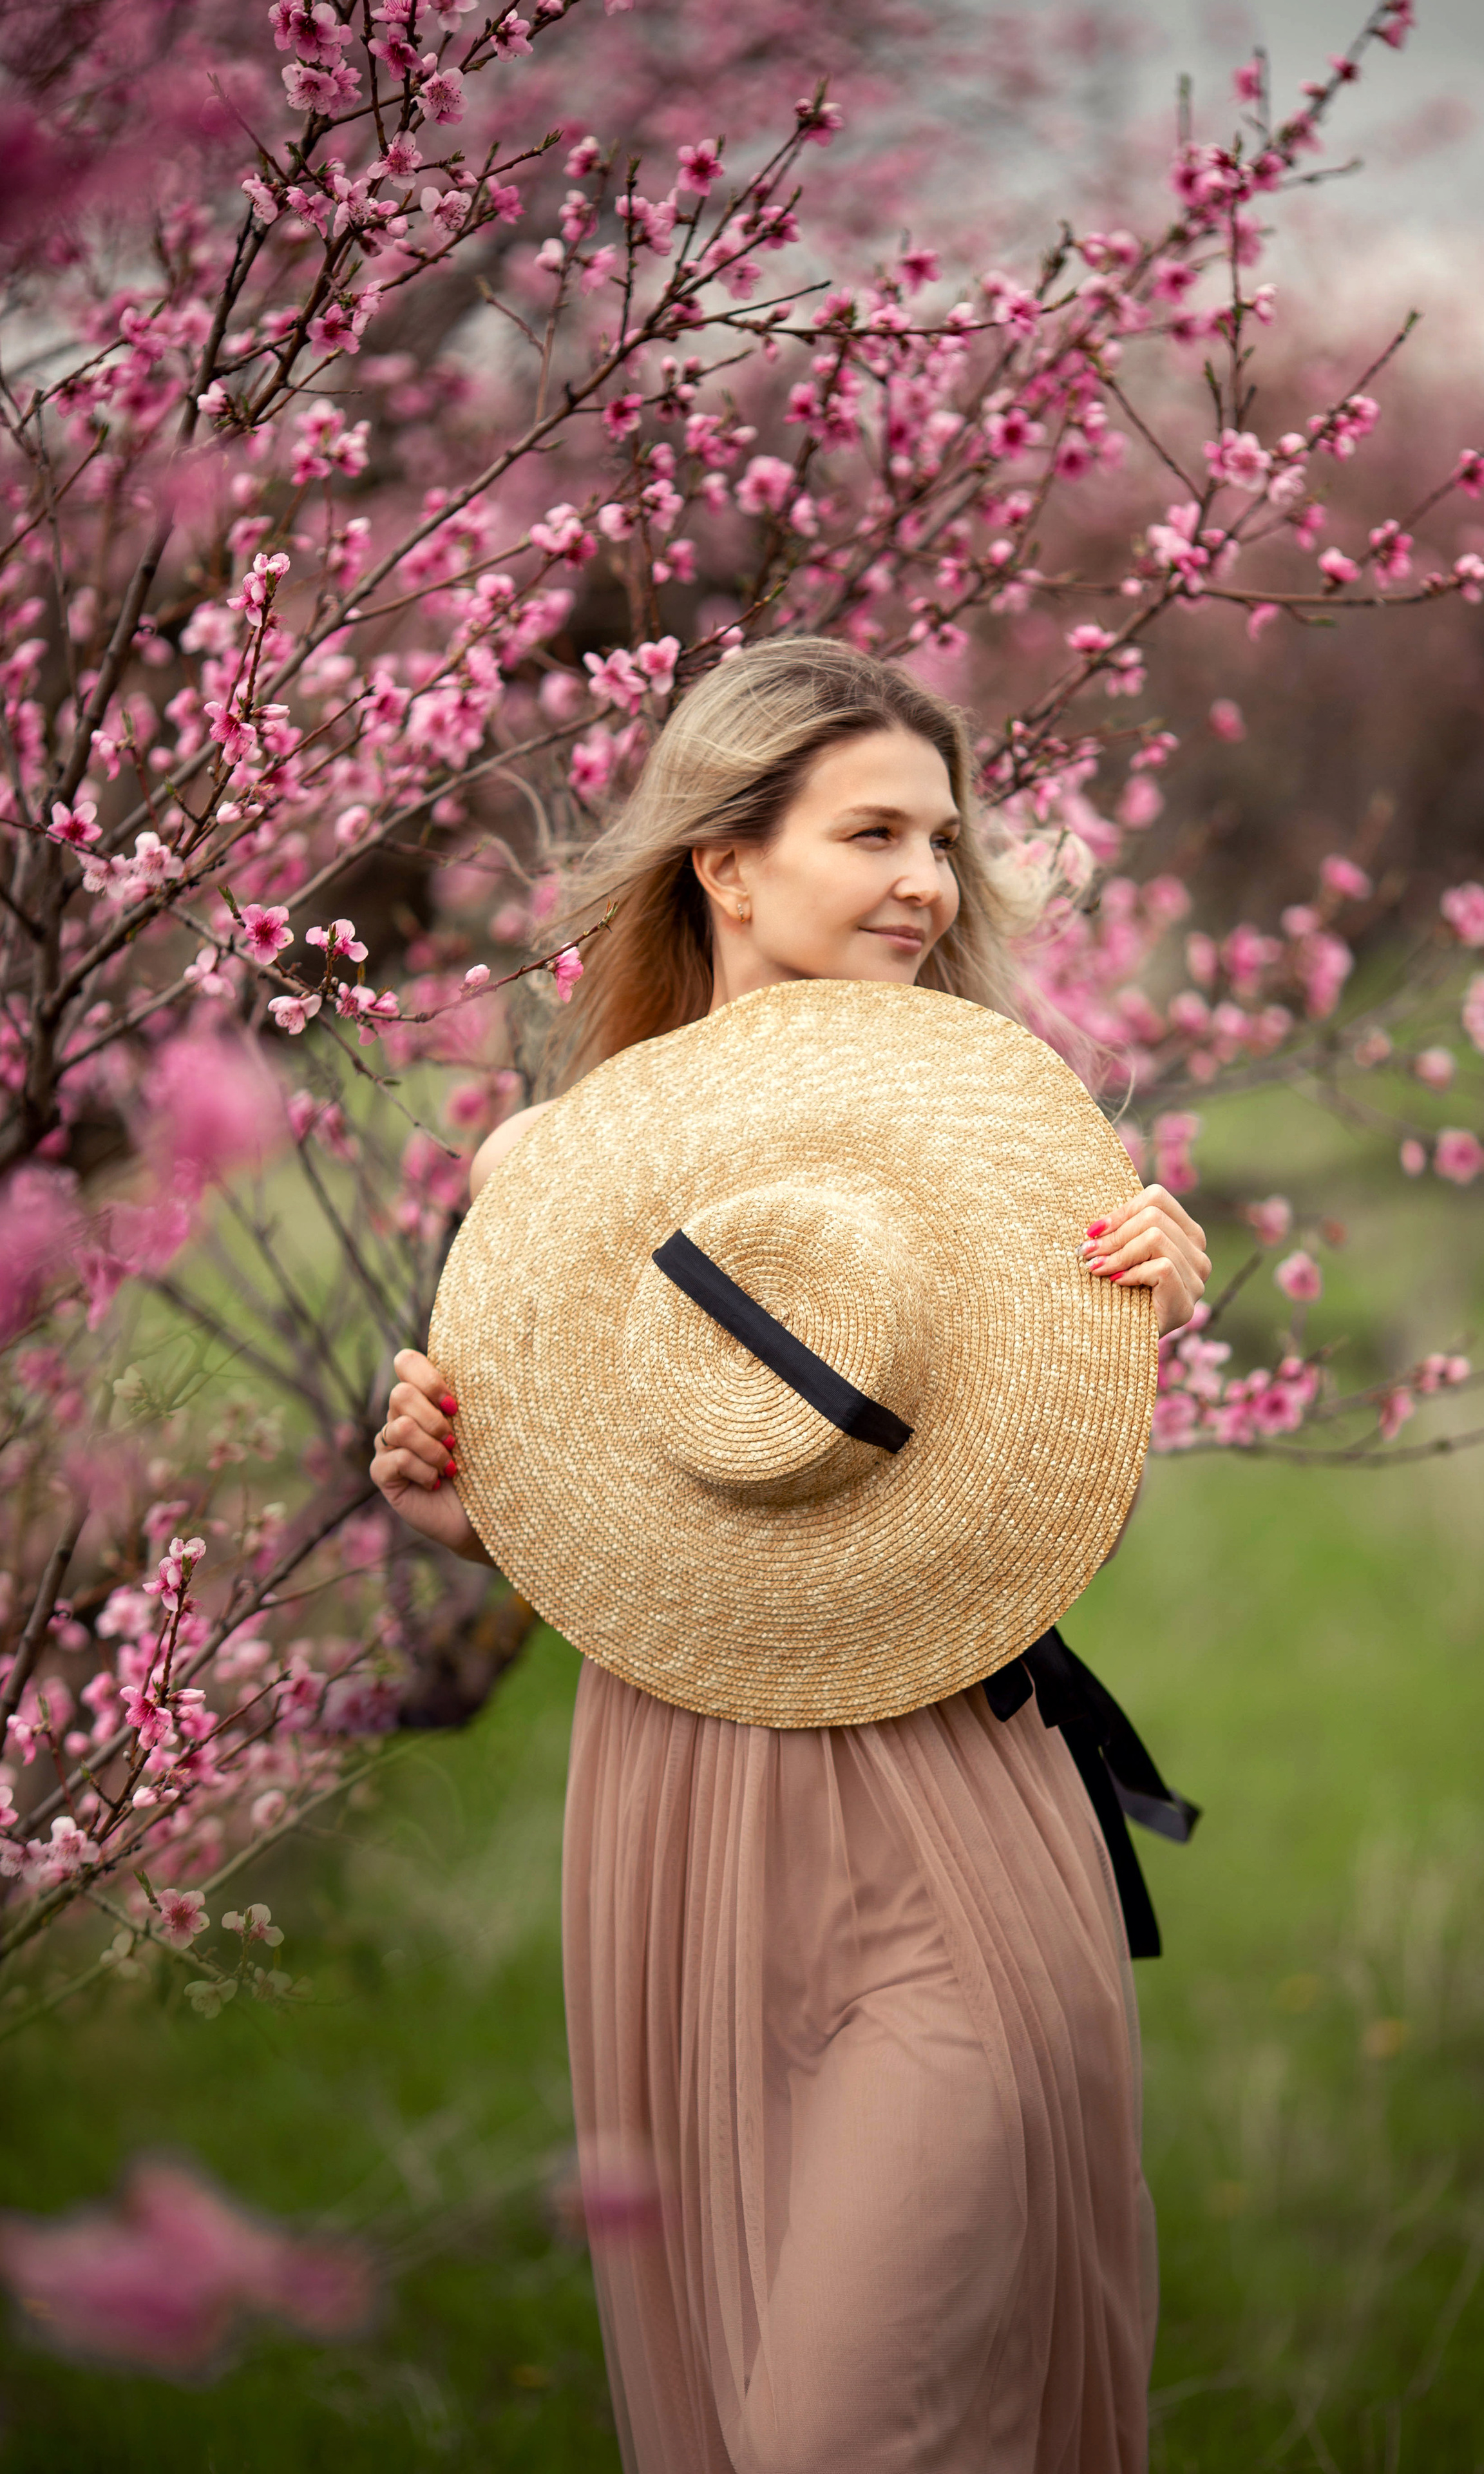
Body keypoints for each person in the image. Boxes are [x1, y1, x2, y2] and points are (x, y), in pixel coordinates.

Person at [370, 639, 1210, 2473]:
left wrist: (1142, 1343)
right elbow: (596, 1535)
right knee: (746, 2405)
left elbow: (1064, 1539)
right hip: (683, 1831)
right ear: (726, 863)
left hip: (956, 1814)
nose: (930, 878)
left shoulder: (1005, 1157)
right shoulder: (548, 1171)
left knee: (849, 2425)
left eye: (945, 837)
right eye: (876, 832)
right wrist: (458, 1507)